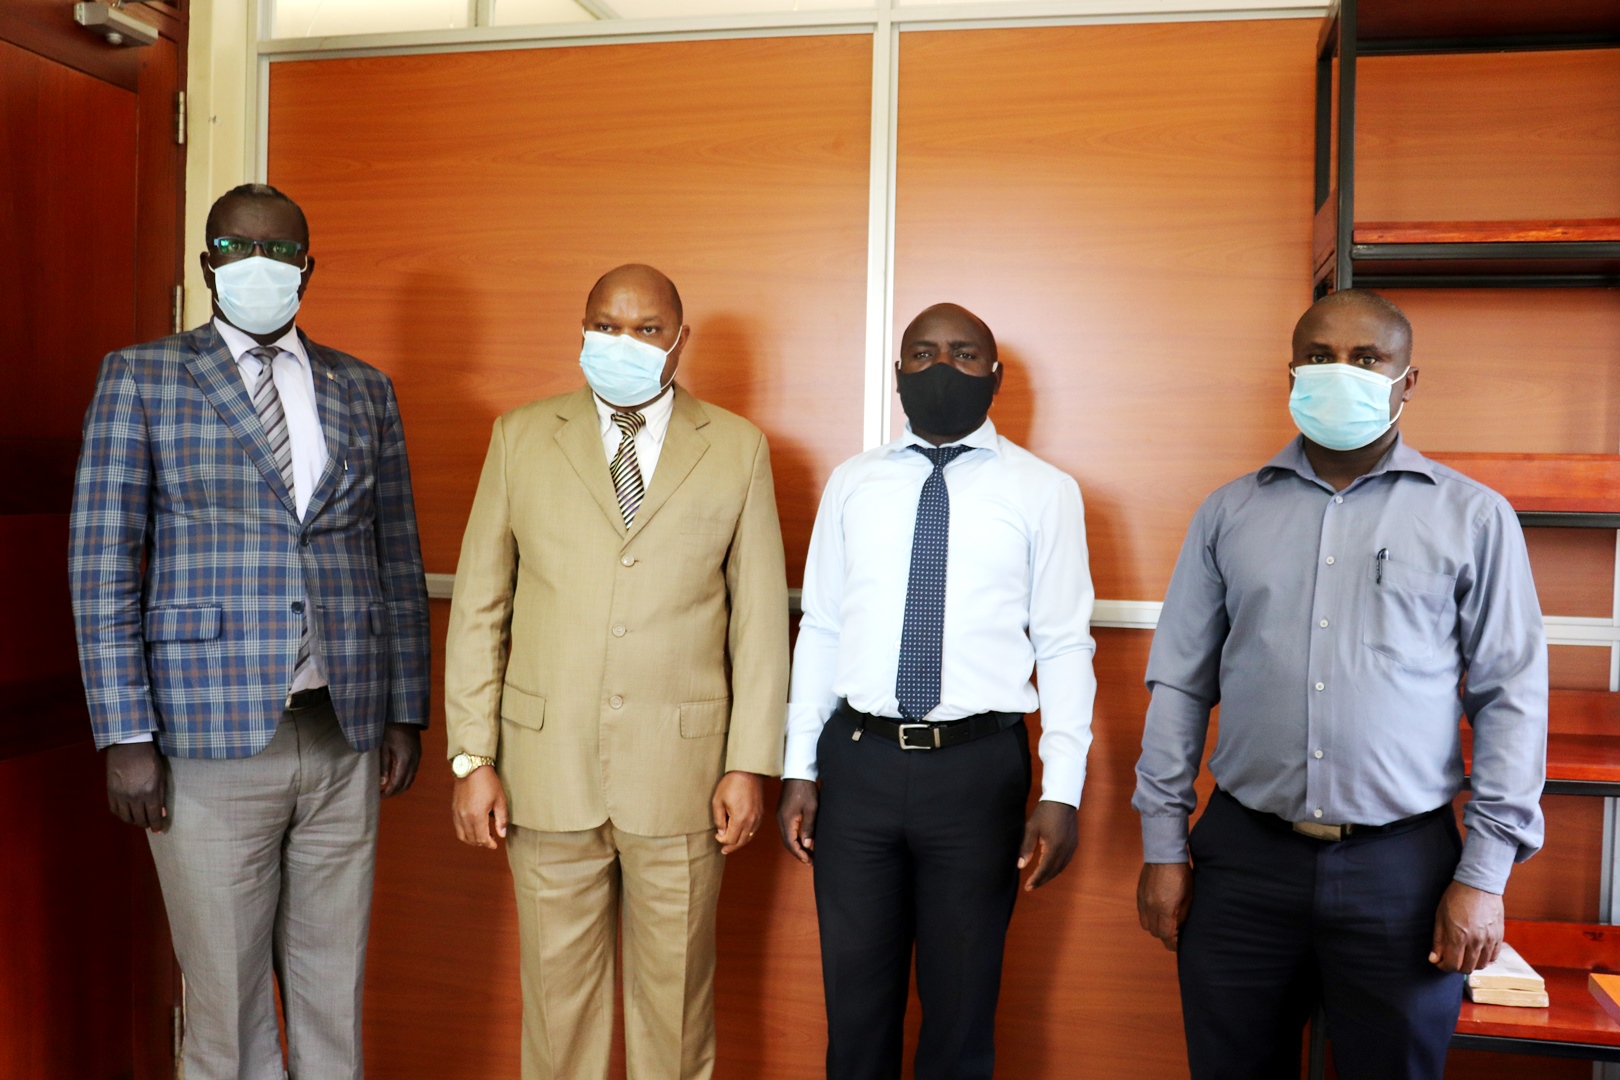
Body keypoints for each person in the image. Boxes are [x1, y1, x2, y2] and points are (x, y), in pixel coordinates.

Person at [1133, 289, 1548, 1080]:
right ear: (1290, 372)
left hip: (1406, 870)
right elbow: (1180, 685)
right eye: (1320, 357)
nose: (1340, 374)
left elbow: (1511, 698)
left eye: (1367, 360)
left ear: (1408, 380)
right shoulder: (1229, 512)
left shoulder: (1474, 518)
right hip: (1242, 863)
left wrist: (1484, 877)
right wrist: (1163, 846)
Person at [69, 183, 432, 1080]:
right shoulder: (142, 377)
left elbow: (395, 554)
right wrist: (125, 734)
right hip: (206, 738)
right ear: (207, 266)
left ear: (308, 268)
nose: (258, 265)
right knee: (226, 1010)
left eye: (278, 251)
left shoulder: (364, 388)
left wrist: (406, 711)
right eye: (237, 249)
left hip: (343, 733)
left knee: (330, 994)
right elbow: (102, 559)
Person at [444, 263, 789, 1080]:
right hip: (544, 772)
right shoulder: (520, 437)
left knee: (674, 1021)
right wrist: (472, 757)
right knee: (557, 1020)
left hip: (683, 776)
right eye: (605, 325)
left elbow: (762, 623)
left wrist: (748, 763)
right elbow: (480, 609)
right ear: (583, 328)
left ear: (679, 339)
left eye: (646, 329)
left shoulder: (738, 448)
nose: (622, 343)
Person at [778, 303, 1098, 1080]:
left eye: (962, 354)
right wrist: (798, 769)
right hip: (858, 765)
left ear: (994, 374)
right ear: (897, 376)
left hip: (978, 771)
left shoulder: (1044, 491)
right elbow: (821, 627)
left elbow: (1062, 644)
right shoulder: (853, 484)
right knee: (856, 1011)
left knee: (961, 1014)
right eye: (921, 354)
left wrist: (1063, 791)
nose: (940, 369)